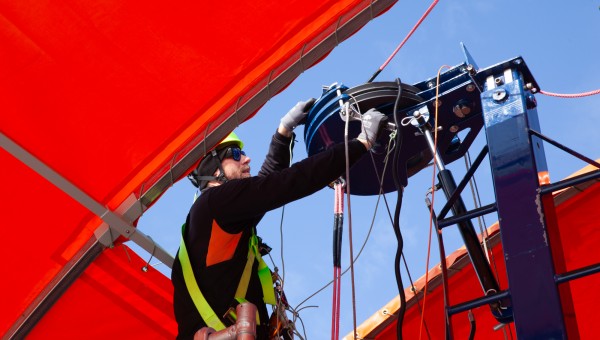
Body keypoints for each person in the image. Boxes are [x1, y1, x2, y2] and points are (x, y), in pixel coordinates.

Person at [171, 98, 386, 339]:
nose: (246, 158)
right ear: (212, 167)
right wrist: (360, 144)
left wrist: (283, 133)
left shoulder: (219, 217)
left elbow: (268, 182)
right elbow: (287, 183)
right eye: (235, 153)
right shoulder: (216, 203)